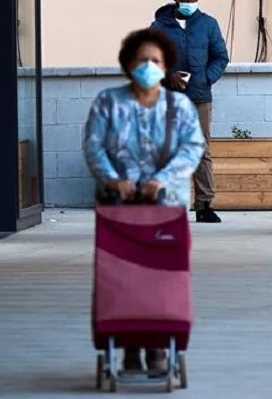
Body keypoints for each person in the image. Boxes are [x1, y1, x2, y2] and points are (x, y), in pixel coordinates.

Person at [83, 28, 206, 374]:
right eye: (142, 61)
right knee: (121, 278)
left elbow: (192, 147)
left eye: (156, 61)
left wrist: (161, 180)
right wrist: (113, 179)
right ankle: (128, 346)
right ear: (128, 65)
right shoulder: (108, 102)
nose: (149, 66)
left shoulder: (179, 105)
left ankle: (158, 344)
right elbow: (94, 145)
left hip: (166, 210)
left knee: (163, 280)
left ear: (166, 66)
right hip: (119, 210)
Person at [150, 0, 229, 223]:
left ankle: (204, 205)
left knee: (202, 151)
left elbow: (221, 57)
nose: (189, 1)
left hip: (199, 96)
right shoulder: (159, 27)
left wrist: (206, 78)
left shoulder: (208, 24)